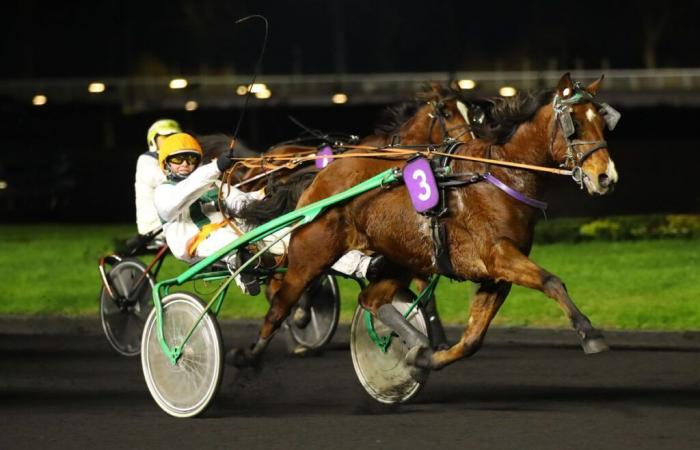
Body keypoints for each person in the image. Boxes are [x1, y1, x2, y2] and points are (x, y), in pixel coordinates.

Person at [154, 132, 383, 295]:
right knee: (232, 240)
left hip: (238, 233)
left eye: (191, 158)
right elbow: (176, 201)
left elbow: (240, 201)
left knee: (302, 240)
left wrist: (268, 193)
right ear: (166, 164)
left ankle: (364, 266)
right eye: (178, 159)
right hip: (195, 243)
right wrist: (214, 169)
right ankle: (242, 267)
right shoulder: (164, 192)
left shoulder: (212, 185)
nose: (185, 164)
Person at [134, 119, 182, 246]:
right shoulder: (146, 160)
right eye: (165, 137)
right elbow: (166, 180)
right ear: (153, 141)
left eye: (174, 136)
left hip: (171, 223)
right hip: (155, 229)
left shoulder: (178, 161)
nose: (171, 140)